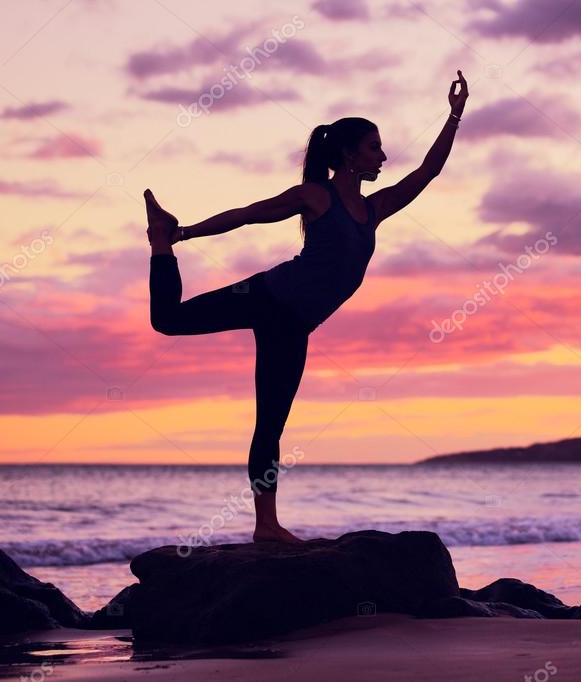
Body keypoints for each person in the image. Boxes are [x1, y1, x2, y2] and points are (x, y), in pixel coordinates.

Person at [145, 70, 469, 543]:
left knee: (271, 424)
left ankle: (265, 526)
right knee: (167, 320)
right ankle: (161, 243)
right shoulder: (316, 197)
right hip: (266, 296)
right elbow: (248, 215)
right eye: (374, 146)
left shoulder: (374, 210)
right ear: (348, 154)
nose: (382, 155)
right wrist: (186, 233)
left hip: (294, 326)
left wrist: (455, 115)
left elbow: (428, 171)